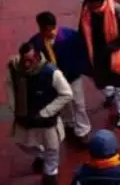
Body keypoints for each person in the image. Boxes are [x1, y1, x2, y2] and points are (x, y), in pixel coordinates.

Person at [7, 40, 74, 185]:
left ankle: (50, 172)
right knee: (22, 143)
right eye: (24, 61)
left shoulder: (51, 72)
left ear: (37, 57)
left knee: (52, 148)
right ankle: (41, 155)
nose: (26, 65)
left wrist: (47, 111)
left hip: (46, 121)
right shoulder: (14, 68)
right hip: (25, 117)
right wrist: (14, 107)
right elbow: (9, 86)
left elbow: (67, 94)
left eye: (29, 61)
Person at [32, 11, 92, 144]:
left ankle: (83, 130)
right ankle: (69, 122)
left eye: (45, 29)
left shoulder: (70, 36)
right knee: (63, 102)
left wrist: (79, 69)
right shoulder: (37, 42)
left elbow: (81, 53)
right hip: (54, 79)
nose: (44, 32)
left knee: (78, 103)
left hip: (72, 76)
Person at [79, 0, 120, 128]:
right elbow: (82, 26)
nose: (89, 6)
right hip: (94, 52)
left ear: (99, 2)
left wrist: (110, 49)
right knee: (98, 80)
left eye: (91, 4)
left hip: (111, 53)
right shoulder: (86, 8)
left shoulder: (116, 11)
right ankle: (109, 94)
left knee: (118, 83)